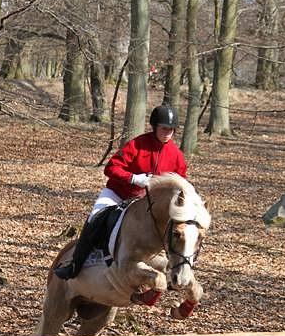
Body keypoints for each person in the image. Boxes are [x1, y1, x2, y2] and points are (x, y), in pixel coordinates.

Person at [54, 104, 187, 280]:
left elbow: (181, 184)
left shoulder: (176, 155)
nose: (168, 133)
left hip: (148, 204)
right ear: (155, 127)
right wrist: (134, 178)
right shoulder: (137, 144)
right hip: (119, 193)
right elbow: (110, 168)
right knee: (95, 218)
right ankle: (74, 264)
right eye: (164, 128)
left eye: (171, 129)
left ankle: (174, 271)